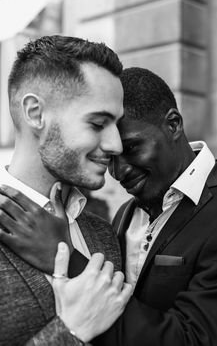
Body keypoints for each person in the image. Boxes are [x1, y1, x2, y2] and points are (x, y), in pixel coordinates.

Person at [2, 67, 217, 346]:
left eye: (131, 147)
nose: (118, 170)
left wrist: (62, 255)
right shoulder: (124, 214)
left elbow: (196, 339)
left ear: (173, 125)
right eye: (110, 156)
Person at [0, 35, 132, 346]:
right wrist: (70, 332)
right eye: (98, 124)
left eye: (117, 125)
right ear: (36, 113)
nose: (116, 145)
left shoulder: (103, 232)